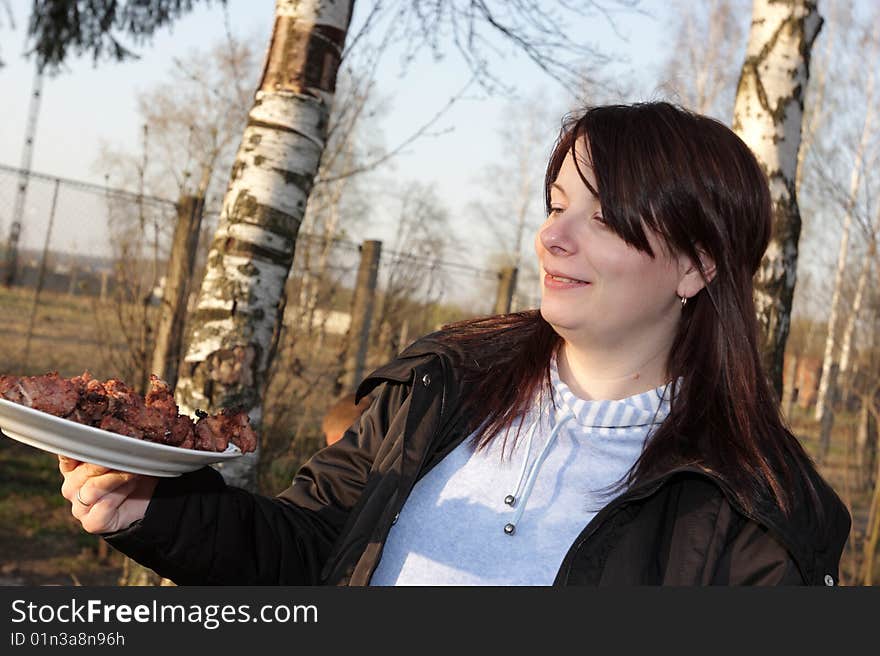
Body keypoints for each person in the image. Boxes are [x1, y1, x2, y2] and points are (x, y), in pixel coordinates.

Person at [59, 102, 850, 585]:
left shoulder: (757, 514)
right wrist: (149, 508)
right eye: (555, 203)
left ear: (696, 264)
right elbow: (305, 553)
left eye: (600, 216)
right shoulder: (443, 384)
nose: (552, 236)